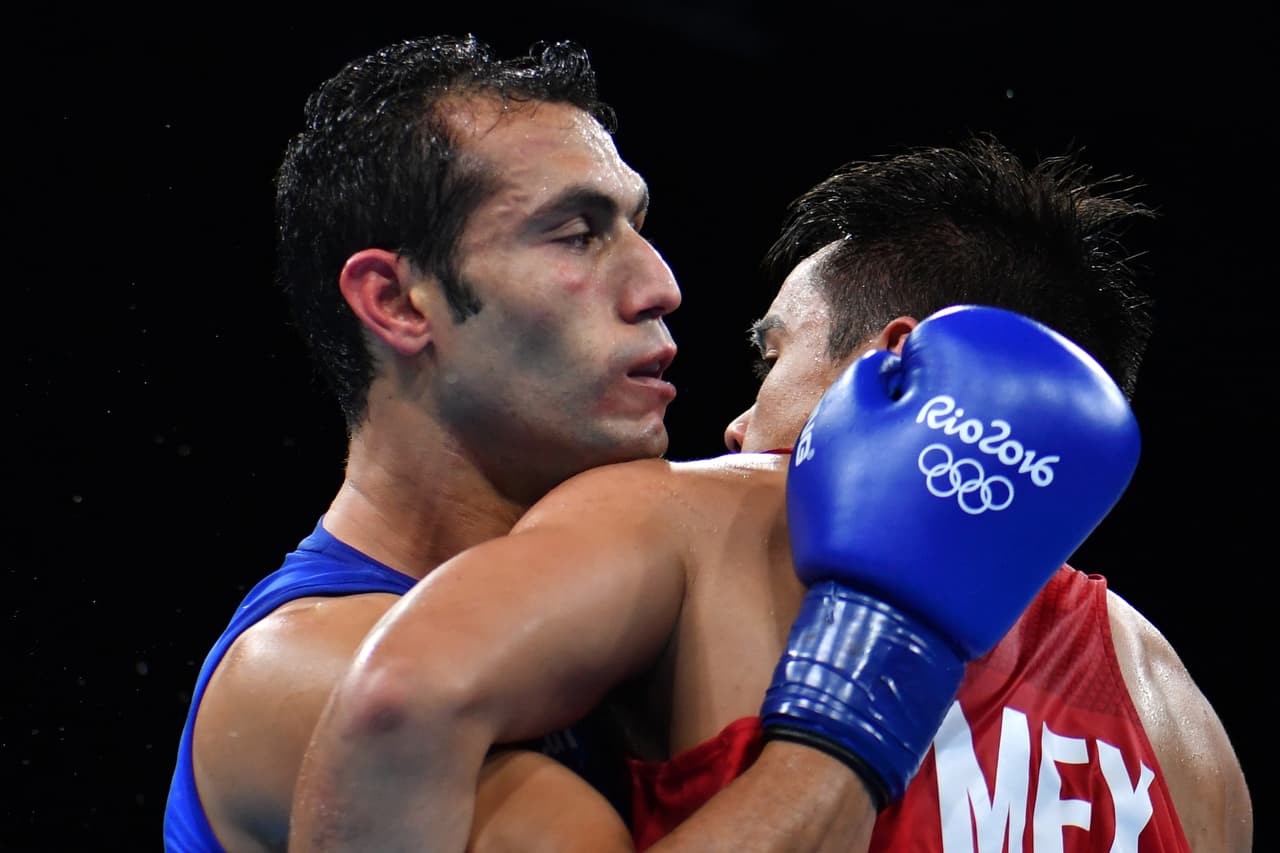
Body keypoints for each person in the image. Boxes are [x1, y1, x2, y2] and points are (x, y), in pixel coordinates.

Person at [290, 137, 1252, 852]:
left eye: (774, 355)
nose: (739, 426)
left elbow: (392, 705)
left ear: (895, 368)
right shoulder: (1182, 723)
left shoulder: (700, 516)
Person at [163, 33, 686, 852]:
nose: (661, 285)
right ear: (398, 303)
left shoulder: (645, 606)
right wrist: (862, 701)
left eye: (636, 225)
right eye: (578, 231)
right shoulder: (300, 676)